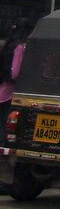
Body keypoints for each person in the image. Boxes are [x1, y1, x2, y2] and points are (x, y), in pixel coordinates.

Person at [0, 18, 33, 195]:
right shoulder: (20, 47)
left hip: (2, 91)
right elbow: (15, 72)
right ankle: (4, 180)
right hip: (10, 95)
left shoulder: (7, 45)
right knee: (6, 138)